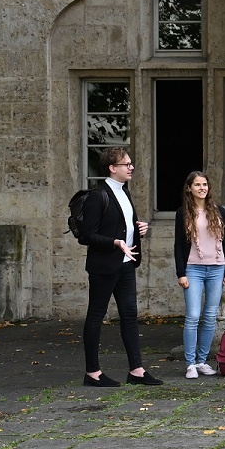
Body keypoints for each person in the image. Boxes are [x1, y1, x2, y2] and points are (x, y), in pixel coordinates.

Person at [77, 146, 160, 386]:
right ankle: (92, 373)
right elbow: (86, 236)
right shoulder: (97, 195)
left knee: (130, 316)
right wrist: (115, 242)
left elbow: (122, 226)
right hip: (104, 266)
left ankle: (137, 370)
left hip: (126, 263)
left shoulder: (125, 192)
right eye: (127, 164)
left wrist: (139, 229)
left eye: (131, 163)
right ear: (112, 168)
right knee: (95, 316)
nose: (131, 167)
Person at [173, 170, 225, 378]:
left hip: (217, 268)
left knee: (210, 317)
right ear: (189, 188)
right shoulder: (183, 212)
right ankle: (190, 363)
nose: (202, 188)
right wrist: (181, 272)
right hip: (193, 268)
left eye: (205, 185)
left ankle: (201, 360)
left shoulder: (219, 211)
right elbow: (179, 245)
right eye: (197, 185)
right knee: (193, 316)